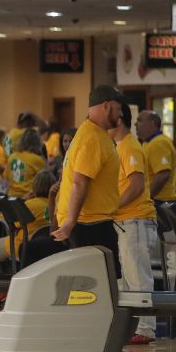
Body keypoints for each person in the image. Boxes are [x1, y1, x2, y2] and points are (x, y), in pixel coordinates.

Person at [49, 85, 124, 271]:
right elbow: (80, 182)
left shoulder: (93, 133)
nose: (121, 113)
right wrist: (70, 223)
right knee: (97, 286)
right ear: (106, 106)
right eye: (118, 107)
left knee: (97, 286)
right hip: (90, 225)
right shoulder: (92, 138)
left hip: (91, 223)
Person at [111, 104, 160, 344]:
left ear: (118, 120)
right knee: (129, 278)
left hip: (136, 219)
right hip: (126, 221)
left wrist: (113, 206)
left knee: (138, 277)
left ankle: (146, 328)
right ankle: (135, 327)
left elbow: (137, 185)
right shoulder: (120, 148)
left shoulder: (130, 146)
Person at [0, 168, 53, 265]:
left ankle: (2, 278)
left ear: (35, 185)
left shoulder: (30, 205)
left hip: (22, 245)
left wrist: (23, 200)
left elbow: (14, 223)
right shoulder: (57, 205)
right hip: (47, 249)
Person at [136, 110, 176, 204]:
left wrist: (147, 197)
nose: (135, 124)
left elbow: (163, 174)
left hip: (160, 201)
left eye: (140, 120)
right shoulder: (148, 142)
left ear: (152, 123)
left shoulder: (159, 143)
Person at [6, 128, 48, 199]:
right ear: (37, 142)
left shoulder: (11, 157)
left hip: (12, 199)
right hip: (29, 199)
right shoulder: (38, 160)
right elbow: (45, 181)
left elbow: (7, 179)